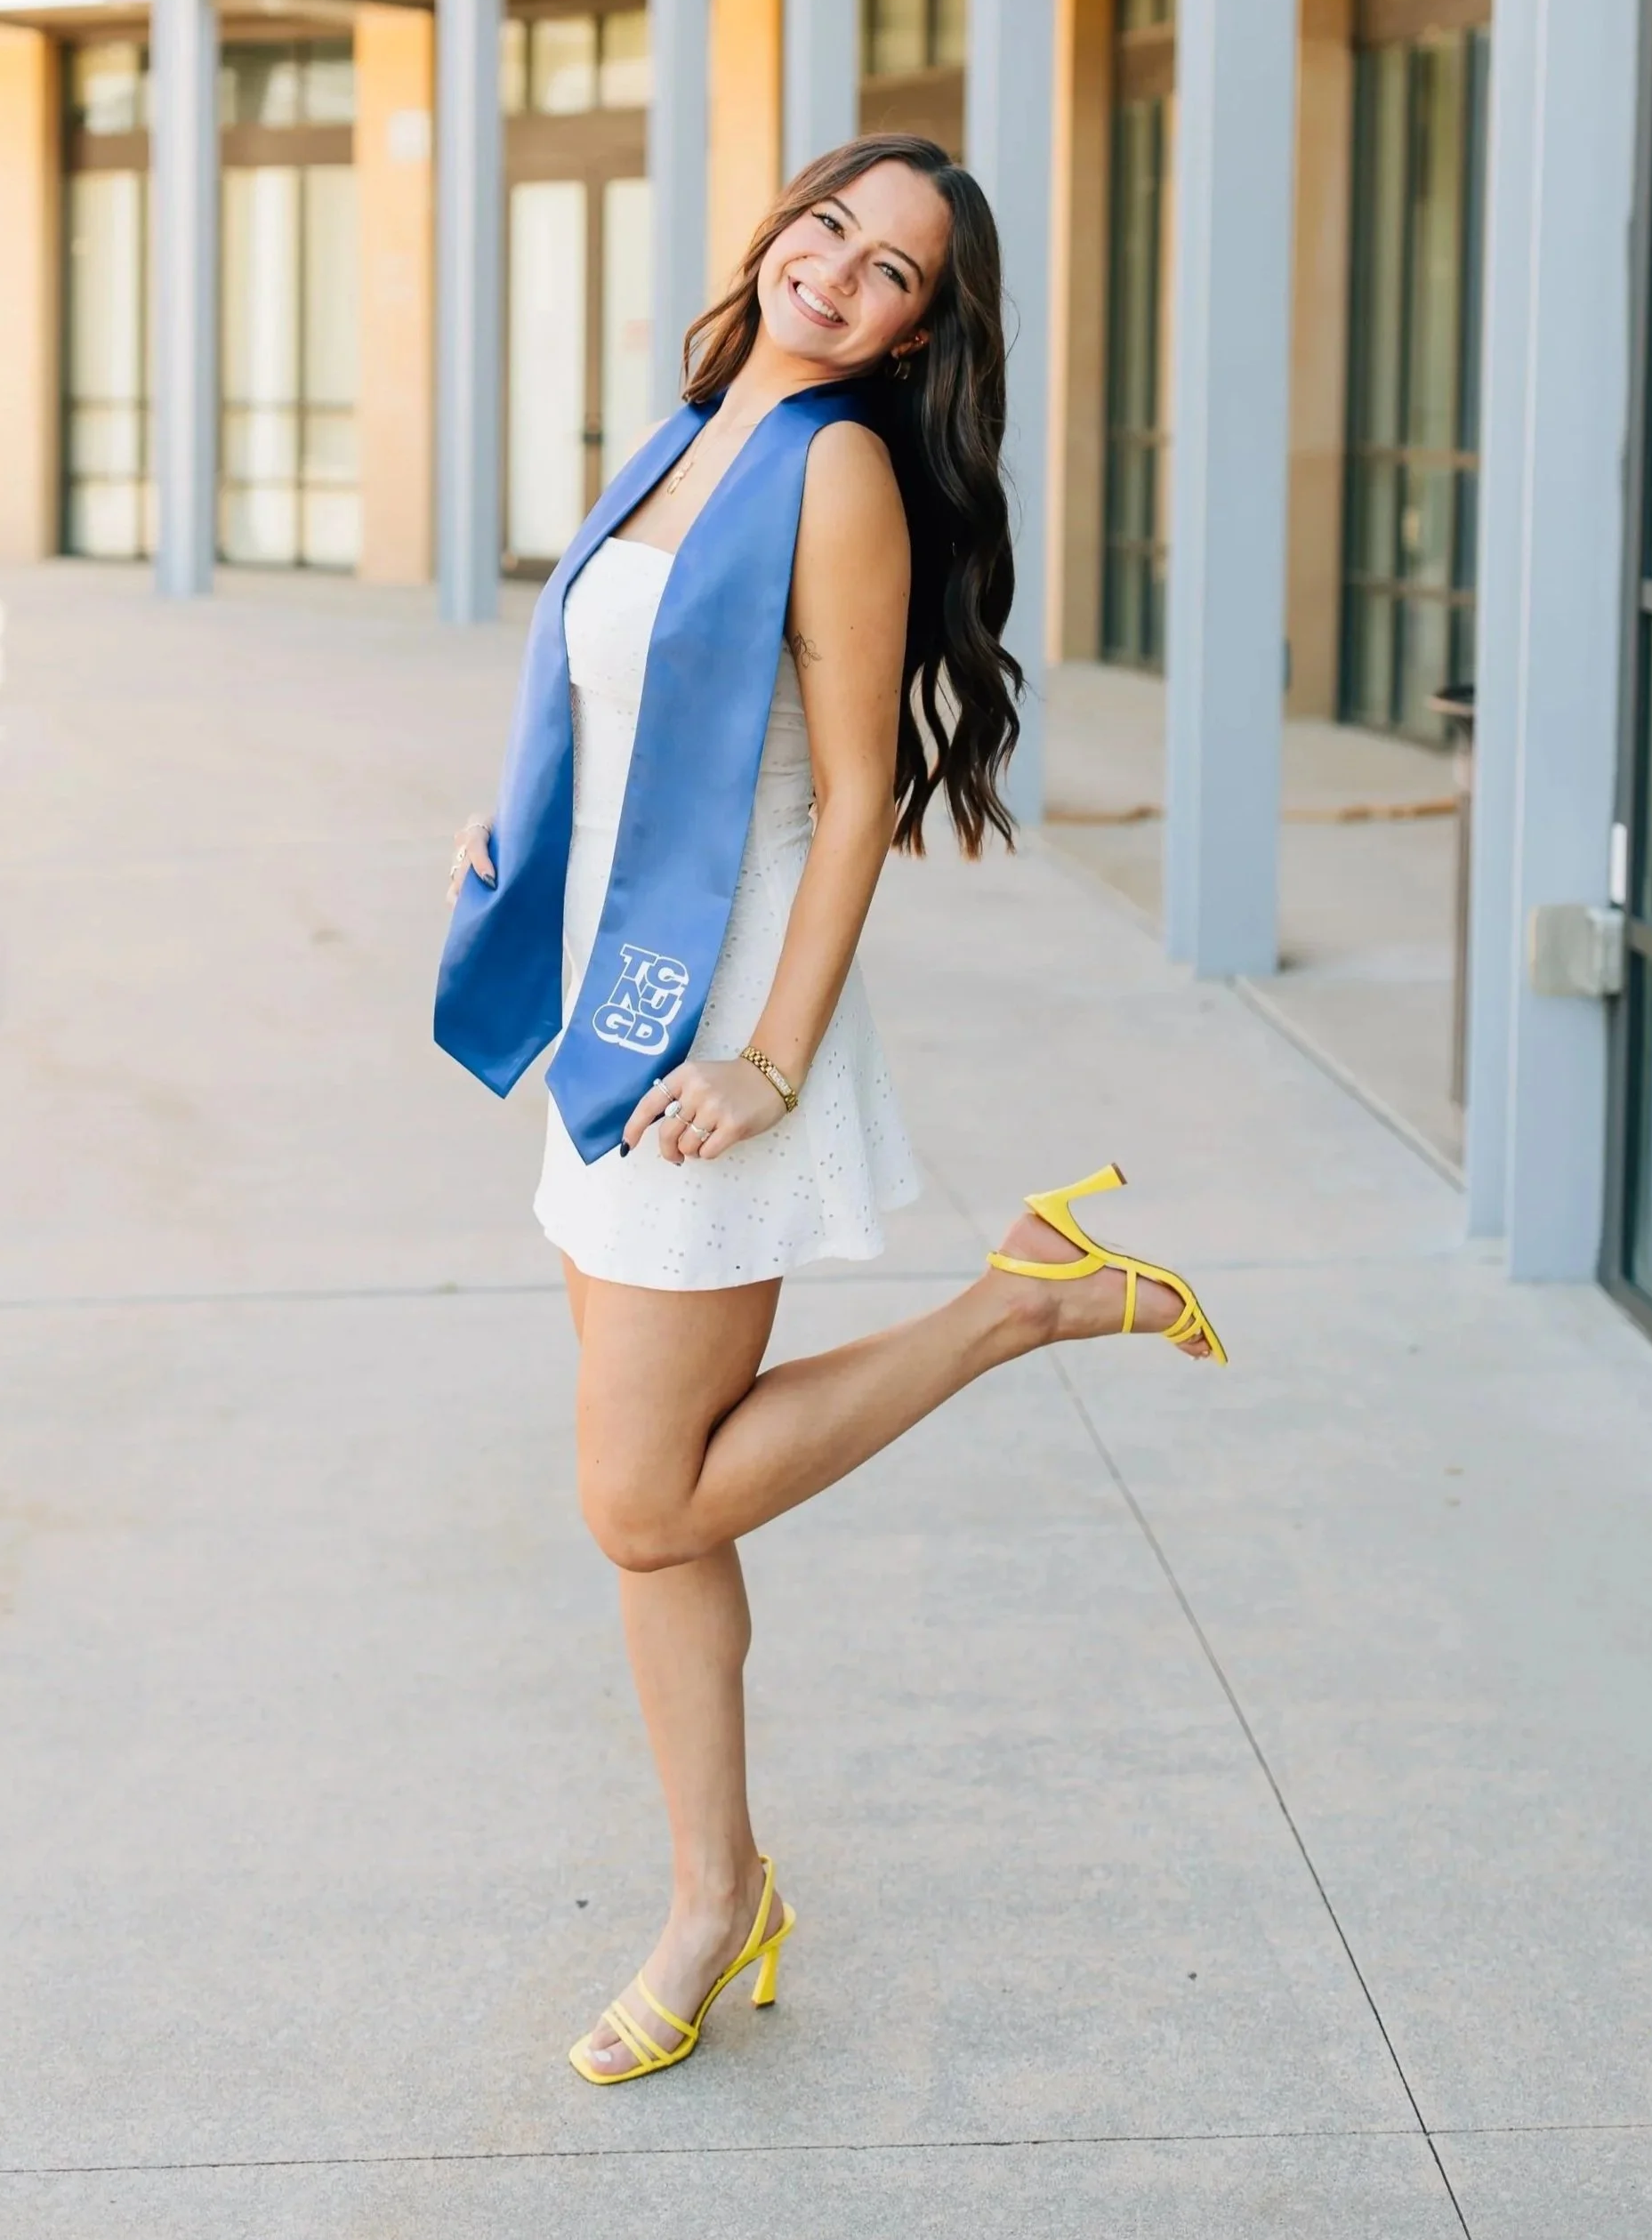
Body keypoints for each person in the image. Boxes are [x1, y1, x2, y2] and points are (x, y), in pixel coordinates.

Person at [435, 133, 1224, 2086]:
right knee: (663, 1522)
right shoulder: (691, 417)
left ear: (919, 332)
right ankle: (721, 1890)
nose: (837, 273)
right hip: (615, 983)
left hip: (725, 1021)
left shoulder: (840, 469)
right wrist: (512, 828)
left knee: (638, 1490)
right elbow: (604, 683)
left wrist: (772, 1057)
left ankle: (1020, 1297)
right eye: (829, 229)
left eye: (890, 273)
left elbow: (855, 783)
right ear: (782, 228)